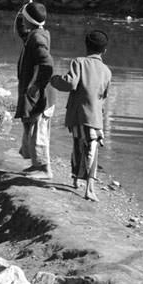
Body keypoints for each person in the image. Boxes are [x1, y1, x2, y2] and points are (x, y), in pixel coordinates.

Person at [51, 30, 112, 202]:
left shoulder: (79, 62)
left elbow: (70, 83)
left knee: (78, 145)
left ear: (86, 46)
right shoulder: (107, 71)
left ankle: (76, 179)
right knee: (91, 149)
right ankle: (90, 189)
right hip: (94, 117)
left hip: (76, 115)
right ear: (104, 50)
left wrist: (54, 80)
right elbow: (104, 96)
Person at [14, 0, 56, 178]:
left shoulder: (37, 38)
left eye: (23, 17)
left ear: (29, 20)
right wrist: (24, 7)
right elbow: (20, 29)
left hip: (41, 94)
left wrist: (37, 85)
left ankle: (46, 170)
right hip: (36, 92)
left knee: (39, 132)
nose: (22, 20)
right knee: (32, 128)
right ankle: (36, 164)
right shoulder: (36, 33)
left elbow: (47, 65)